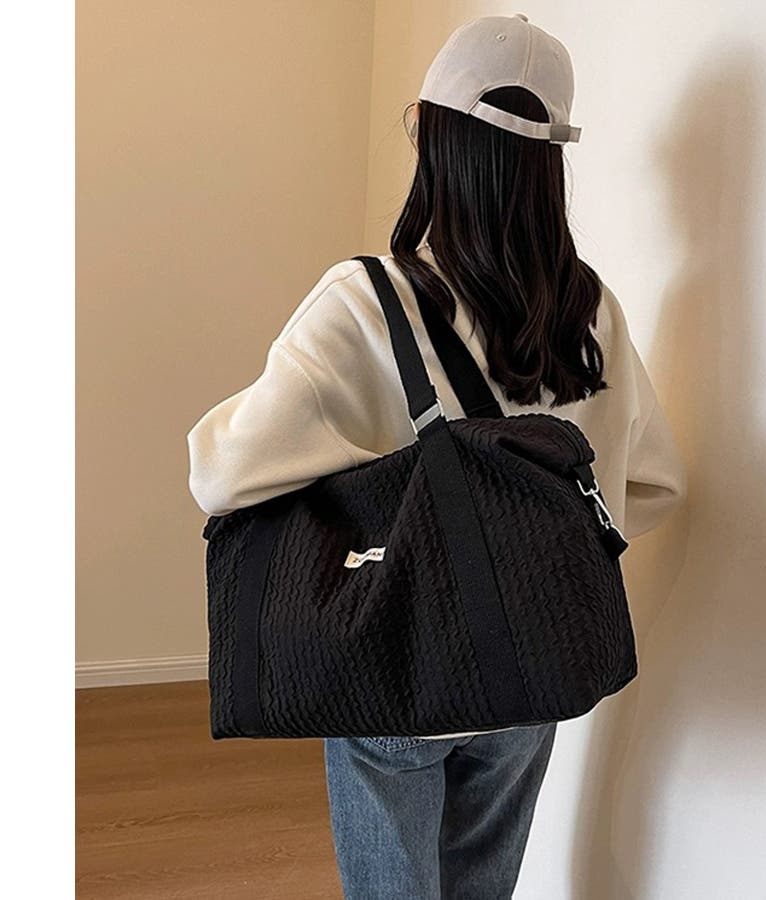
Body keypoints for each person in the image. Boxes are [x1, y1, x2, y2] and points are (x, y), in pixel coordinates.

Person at [186, 12, 686, 900]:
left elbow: (220, 474)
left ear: (427, 130)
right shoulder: (589, 311)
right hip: (533, 666)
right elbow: (648, 484)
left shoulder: (365, 300)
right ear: (550, 161)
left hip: (399, 668)